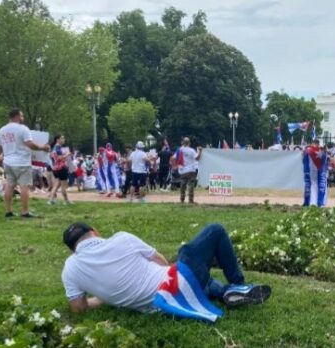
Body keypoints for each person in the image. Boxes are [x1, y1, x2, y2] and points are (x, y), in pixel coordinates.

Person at [60, 222, 271, 315]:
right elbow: (160, 260)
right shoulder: (121, 239)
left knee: (194, 278)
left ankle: (224, 292)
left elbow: (79, 308)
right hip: (173, 286)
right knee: (210, 234)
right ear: (95, 232)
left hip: (158, 308)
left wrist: (104, 295)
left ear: (73, 249)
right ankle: (238, 285)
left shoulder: (70, 268)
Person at [0, 108, 50, 218]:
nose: (23, 118)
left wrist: (6, 150)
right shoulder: (23, 129)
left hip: (8, 162)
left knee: (9, 186)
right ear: (16, 116)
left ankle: (8, 211)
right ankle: (25, 211)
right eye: (22, 116)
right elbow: (30, 144)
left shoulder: (2, 130)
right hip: (22, 162)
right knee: (24, 186)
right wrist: (42, 147)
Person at [48, 134, 72, 205]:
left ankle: (51, 200)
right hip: (61, 168)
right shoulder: (58, 148)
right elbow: (59, 158)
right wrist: (67, 154)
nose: (64, 140)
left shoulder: (54, 148)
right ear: (57, 139)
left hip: (56, 168)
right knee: (63, 185)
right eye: (62, 138)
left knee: (56, 185)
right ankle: (66, 201)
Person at [176, 137, 202, 204]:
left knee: (182, 185)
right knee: (191, 185)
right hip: (191, 170)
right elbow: (197, 158)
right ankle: (190, 200)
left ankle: (182, 199)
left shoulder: (179, 150)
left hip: (182, 170)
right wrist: (200, 151)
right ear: (189, 143)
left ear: (182, 142)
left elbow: (174, 158)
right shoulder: (192, 150)